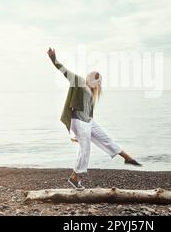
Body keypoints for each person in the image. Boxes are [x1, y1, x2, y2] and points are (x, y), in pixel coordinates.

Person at [47, 47, 141, 190]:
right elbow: (64, 71)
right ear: (91, 78)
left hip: (89, 121)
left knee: (106, 138)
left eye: (99, 82)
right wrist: (53, 59)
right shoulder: (78, 81)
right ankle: (74, 178)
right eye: (97, 81)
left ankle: (127, 157)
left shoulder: (91, 92)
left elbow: (89, 111)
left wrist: (82, 131)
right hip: (78, 121)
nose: (98, 84)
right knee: (85, 149)